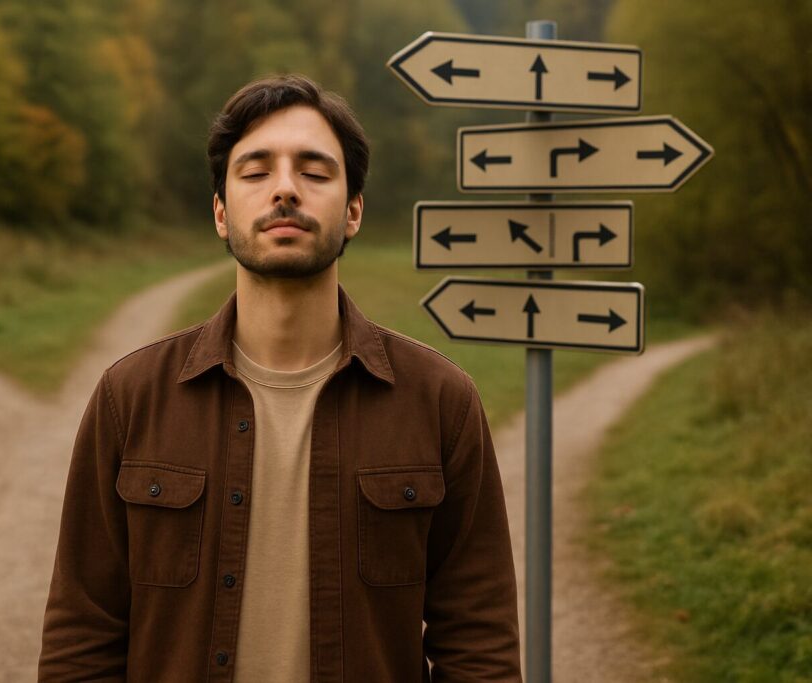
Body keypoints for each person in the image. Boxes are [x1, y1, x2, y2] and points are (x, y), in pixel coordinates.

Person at [38, 74, 521, 682]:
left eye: (315, 171)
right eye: (256, 170)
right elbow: (82, 635)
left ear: (353, 212)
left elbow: (479, 643)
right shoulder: (129, 398)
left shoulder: (441, 402)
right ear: (221, 211)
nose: (286, 189)